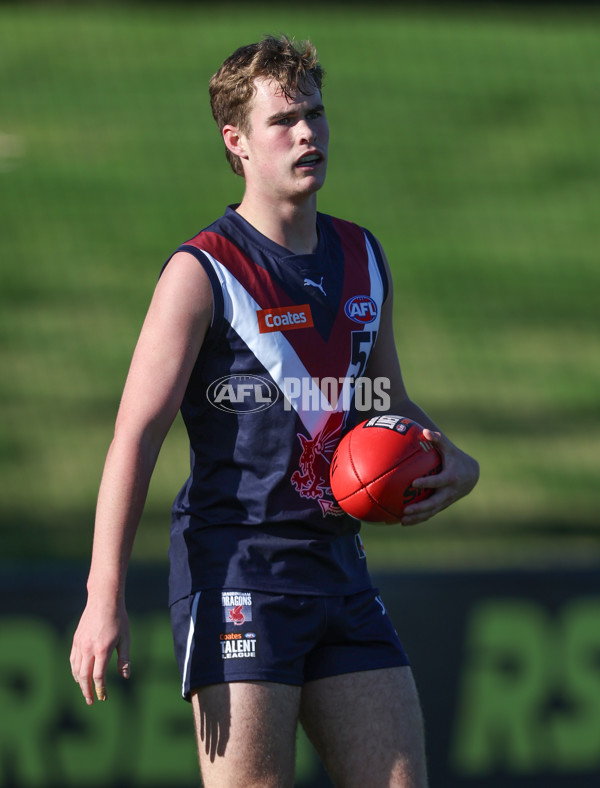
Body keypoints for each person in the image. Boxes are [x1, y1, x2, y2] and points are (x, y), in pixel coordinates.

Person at [70, 34, 479, 788]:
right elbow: (135, 437)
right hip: (239, 576)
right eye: (284, 120)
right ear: (236, 142)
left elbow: (382, 400)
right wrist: (103, 599)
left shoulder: (363, 255)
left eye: (316, 115)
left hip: (340, 570)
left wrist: (447, 455)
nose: (307, 134)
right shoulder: (203, 273)